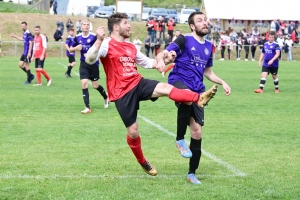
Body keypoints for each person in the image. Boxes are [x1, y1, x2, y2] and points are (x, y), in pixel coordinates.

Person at [85, 12, 216, 177]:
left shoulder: (131, 46)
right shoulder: (106, 45)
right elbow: (89, 59)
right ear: (116, 27)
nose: (129, 26)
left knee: (166, 88)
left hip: (137, 83)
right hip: (121, 93)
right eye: (126, 23)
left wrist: (165, 60)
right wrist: (98, 40)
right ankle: (142, 161)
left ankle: (198, 97)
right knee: (133, 131)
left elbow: (148, 63)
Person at [160, 11, 231, 184]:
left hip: (198, 89)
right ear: (192, 26)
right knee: (185, 97)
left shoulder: (209, 46)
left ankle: (192, 173)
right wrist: (167, 57)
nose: (204, 22)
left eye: (205, 20)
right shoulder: (184, 39)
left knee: (197, 132)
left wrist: (222, 82)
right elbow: (168, 52)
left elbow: (207, 71)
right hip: (179, 82)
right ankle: (179, 139)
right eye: (200, 20)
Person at [69, 19, 109, 113]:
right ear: (81, 26)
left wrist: (91, 55)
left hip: (94, 64)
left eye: (87, 24)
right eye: (84, 24)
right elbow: (70, 49)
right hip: (84, 64)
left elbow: (100, 47)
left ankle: (106, 97)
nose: (86, 26)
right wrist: (76, 48)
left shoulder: (94, 37)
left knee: (95, 86)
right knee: (84, 83)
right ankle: (87, 107)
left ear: (89, 26)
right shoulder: (77, 37)